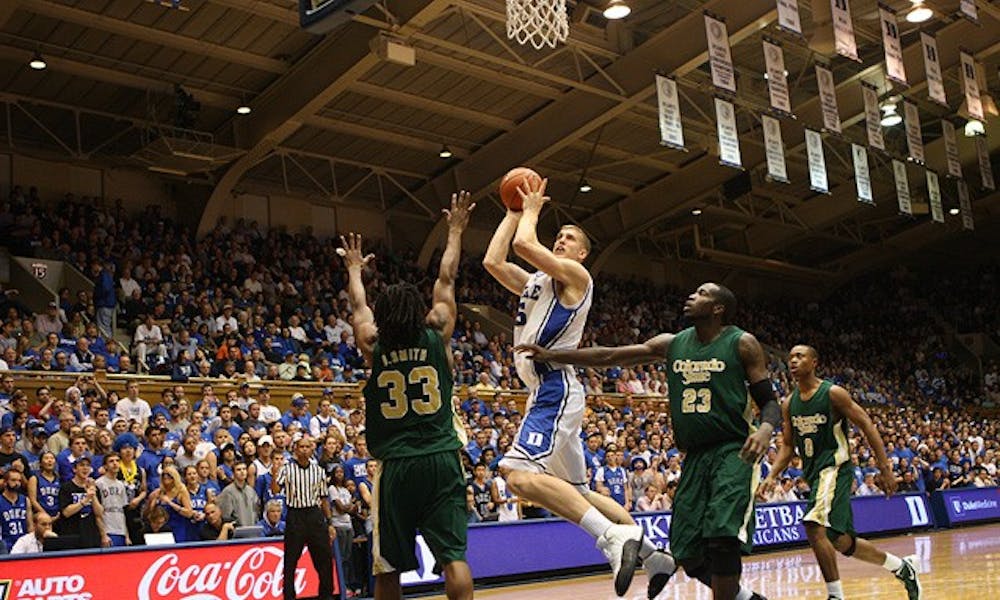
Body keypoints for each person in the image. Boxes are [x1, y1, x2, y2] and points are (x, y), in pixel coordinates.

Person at [518, 282, 778, 600]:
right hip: (694, 456)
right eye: (692, 291)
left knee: (723, 538)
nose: (691, 296)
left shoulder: (742, 343)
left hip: (733, 451)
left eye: (702, 294)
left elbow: (769, 401)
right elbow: (610, 355)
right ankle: (748, 599)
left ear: (718, 308)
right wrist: (554, 356)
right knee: (689, 555)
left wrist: (765, 430)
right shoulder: (672, 344)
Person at [483, 177, 671, 597]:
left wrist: (531, 209)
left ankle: (612, 538)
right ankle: (656, 555)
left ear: (582, 253)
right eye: (560, 236)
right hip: (546, 391)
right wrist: (513, 212)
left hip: (555, 389)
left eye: (569, 238)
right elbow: (495, 262)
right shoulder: (537, 283)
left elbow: (524, 246)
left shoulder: (576, 277)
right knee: (579, 491)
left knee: (515, 474)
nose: (562, 241)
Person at [342, 191, 475, 600]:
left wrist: (353, 269)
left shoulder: (372, 344)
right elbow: (447, 278)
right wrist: (454, 230)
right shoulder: (437, 332)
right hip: (440, 457)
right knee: (453, 558)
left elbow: (358, 305)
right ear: (418, 310)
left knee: (388, 569)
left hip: (396, 465)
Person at [758, 345, 922, 600]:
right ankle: (901, 567)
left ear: (814, 362)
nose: (793, 361)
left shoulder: (833, 393)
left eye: (800, 356)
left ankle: (835, 596)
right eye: (790, 357)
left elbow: (866, 423)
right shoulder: (789, 403)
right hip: (815, 475)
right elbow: (788, 445)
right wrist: (771, 476)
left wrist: (885, 467)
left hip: (835, 469)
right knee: (839, 540)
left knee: (813, 525)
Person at [272, 436, 336, 600]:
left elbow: (323, 499)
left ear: (312, 449)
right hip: (295, 515)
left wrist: (329, 522)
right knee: (290, 561)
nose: (305, 450)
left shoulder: (319, 471)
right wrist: (274, 473)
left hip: (314, 515)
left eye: (308, 447)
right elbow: (275, 490)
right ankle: (289, 596)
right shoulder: (287, 469)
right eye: (301, 447)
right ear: (295, 449)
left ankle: (326, 595)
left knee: (325, 559)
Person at [95, 452, 130, 546]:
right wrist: (103, 535)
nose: (115, 463)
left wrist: (127, 535)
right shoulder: (99, 483)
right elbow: (97, 513)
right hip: (108, 530)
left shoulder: (121, 485)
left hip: (121, 530)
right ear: (105, 466)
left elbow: (122, 511)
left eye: (117, 461)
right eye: (111, 461)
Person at [1, 469, 32, 551]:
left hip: (23, 543)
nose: (17, 483)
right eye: (13, 480)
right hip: (6, 544)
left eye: (19, 480)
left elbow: (30, 526)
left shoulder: (26, 500)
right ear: (5, 482)